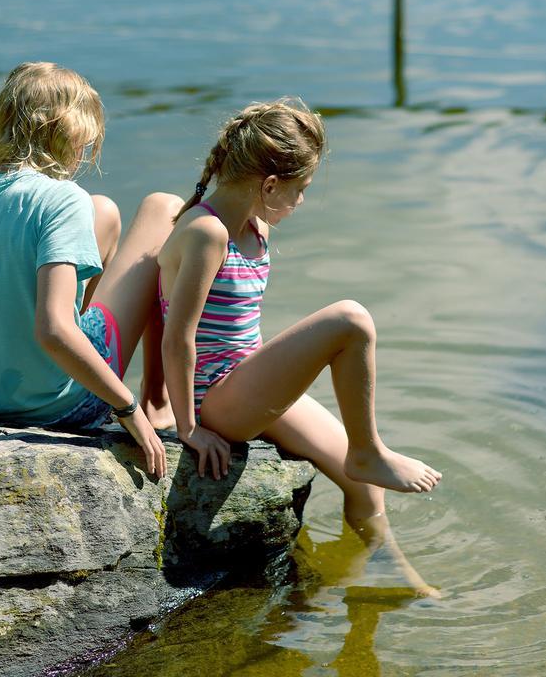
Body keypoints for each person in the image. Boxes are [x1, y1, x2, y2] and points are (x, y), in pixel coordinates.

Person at [156, 99, 442, 578]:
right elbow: (177, 339)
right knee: (351, 319)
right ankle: (369, 450)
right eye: (300, 189)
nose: (302, 200)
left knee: (362, 486)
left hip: (246, 381)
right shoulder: (208, 232)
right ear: (269, 185)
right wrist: (187, 427)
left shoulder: (255, 224)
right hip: (216, 400)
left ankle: (395, 572)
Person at [0, 61, 172, 477]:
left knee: (103, 210)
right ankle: (154, 403)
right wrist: (126, 409)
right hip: (59, 408)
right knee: (163, 208)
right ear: (70, 132)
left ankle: (81, 354)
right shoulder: (62, 199)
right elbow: (53, 330)